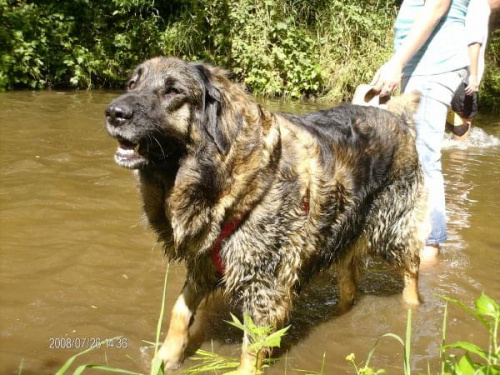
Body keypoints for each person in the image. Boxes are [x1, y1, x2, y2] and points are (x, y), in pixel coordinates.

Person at [370, 0, 471, 266]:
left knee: (423, 157)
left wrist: (397, 62)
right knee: (412, 153)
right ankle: (418, 242)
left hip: (435, 61)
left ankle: (428, 247)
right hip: (428, 61)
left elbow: (438, 4)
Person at [447, 0, 492, 141]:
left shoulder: (462, 4)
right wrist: (473, 75)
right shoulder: (479, 6)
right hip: (464, 78)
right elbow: (473, 41)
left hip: (452, 74)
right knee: (461, 136)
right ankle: (458, 162)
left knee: (453, 126)